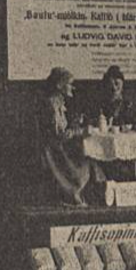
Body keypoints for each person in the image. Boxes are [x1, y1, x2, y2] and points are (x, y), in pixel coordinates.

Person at [39, 67, 104, 207]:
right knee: (88, 158)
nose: (72, 88)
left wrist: (75, 125)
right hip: (55, 151)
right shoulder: (51, 104)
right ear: (59, 85)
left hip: (59, 145)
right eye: (69, 84)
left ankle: (88, 194)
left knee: (91, 157)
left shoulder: (58, 102)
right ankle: (73, 195)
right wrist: (80, 131)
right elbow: (60, 135)